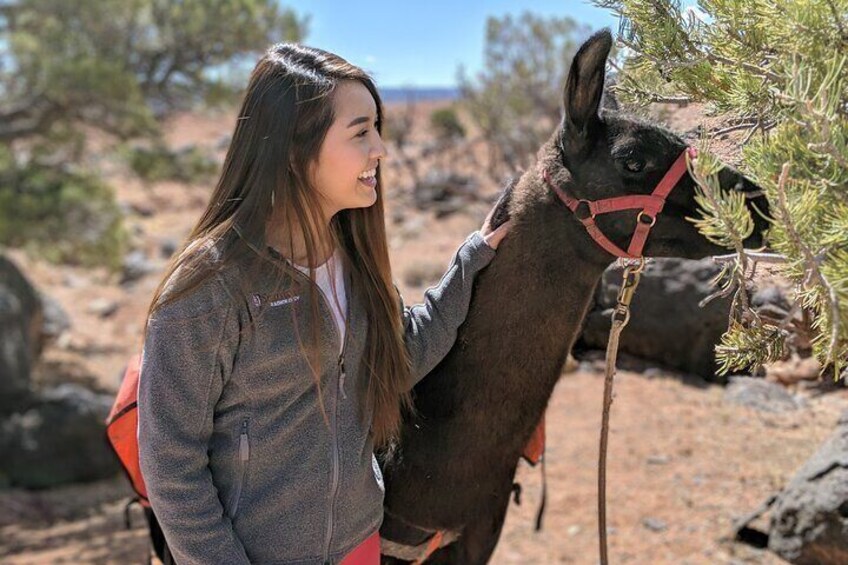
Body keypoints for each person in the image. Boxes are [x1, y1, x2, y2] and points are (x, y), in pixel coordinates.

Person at [137, 43, 511, 565]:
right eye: (361, 133)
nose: (380, 150)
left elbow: (397, 359)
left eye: (378, 129)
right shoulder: (211, 287)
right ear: (293, 149)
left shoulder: (351, 259)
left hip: (358, 544)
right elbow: (171, 465)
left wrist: (471, 262)